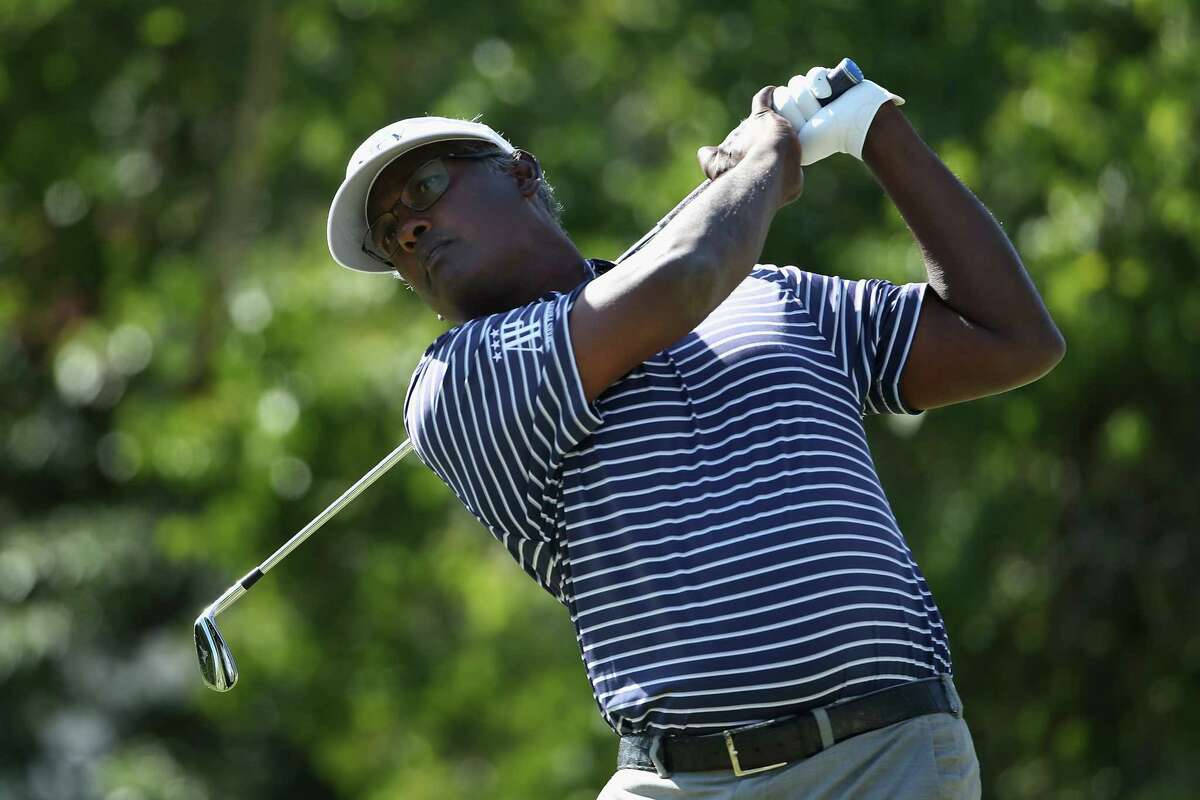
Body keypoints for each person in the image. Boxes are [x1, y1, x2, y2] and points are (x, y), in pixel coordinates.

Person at [326, 66, 1064, 799]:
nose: (410, 229)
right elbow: (686, 276)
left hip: (887, 762)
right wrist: (770, 156)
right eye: (390, 238)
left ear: (521, 174)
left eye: (425, 189)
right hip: (683, 783)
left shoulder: (775, 294)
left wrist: (874, 127)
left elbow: (1013, 338)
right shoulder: (456, 383)